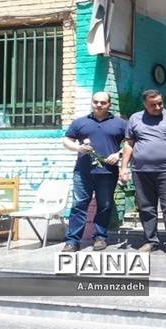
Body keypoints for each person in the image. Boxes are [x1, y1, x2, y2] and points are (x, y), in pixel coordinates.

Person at [121, 89, 166, 256]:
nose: (158, 107)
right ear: (145, 104)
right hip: (141, 171)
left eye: (160, 103)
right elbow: (129, 144)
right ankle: (150, 241)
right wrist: (123, 168)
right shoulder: (135, 118)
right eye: (153, 105)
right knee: (146, 207)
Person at [62, 92, 126, 252]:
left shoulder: (120, 123)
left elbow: (131, 143)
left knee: (105, 206)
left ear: (109, 104)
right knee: (78, 205)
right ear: (92, 102)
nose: (99, 105)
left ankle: (100, 238)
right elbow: (66, 140)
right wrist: (78, 148)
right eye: (96, 102)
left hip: (107, 172)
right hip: (83, 172)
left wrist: (118, 154)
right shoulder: (80, 122)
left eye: (103, 102)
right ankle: (72, 241)